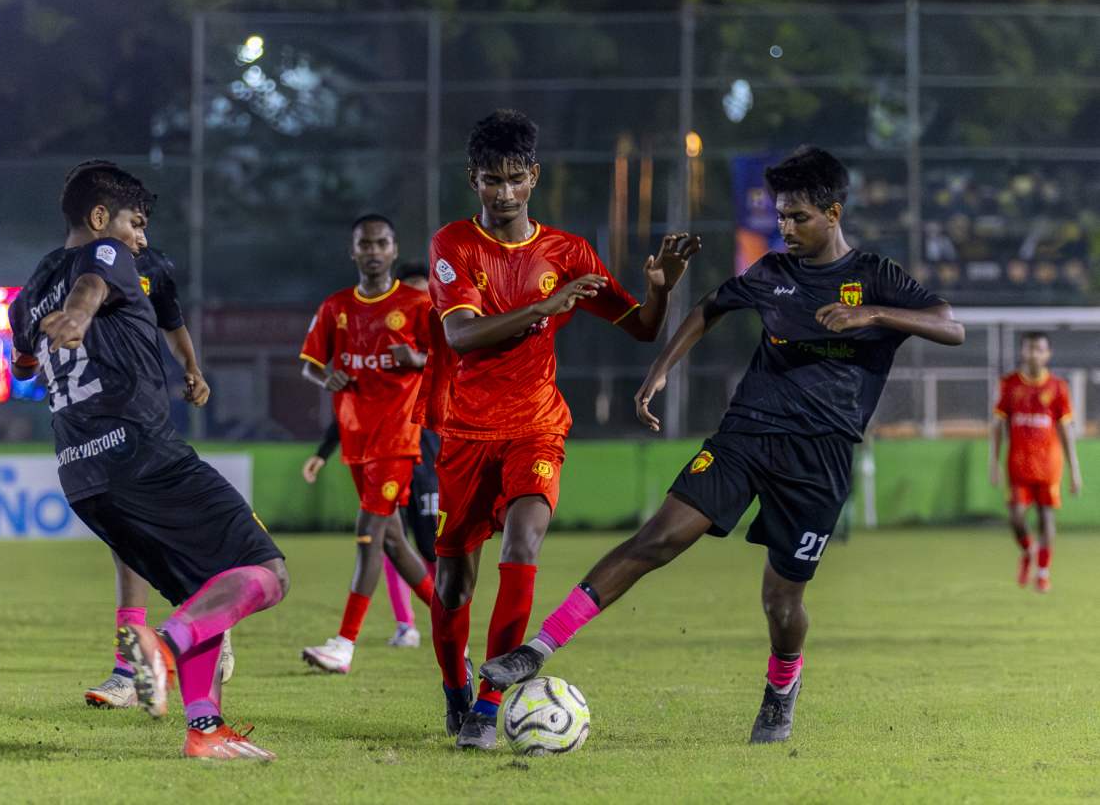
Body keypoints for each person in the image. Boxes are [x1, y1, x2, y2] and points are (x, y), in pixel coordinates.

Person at [479, 146, 966, 746]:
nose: (786, 228)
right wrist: (661, 369)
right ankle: (537, 648)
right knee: (657, 538)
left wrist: (874, 316)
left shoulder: (874, 276)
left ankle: (782, 686)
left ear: (833, 213)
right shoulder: (772, 273)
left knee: (781, 602)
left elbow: (950, 326)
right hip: (746, 434)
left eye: (798, 217)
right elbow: (711, 306)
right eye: (780, 216)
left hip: (821, 455)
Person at [422, 109, 696, 749]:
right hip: (466, 433)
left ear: (534, 177)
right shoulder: (453, 245)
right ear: (473, 179)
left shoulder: (568, 252)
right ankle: (455, 687)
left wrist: (661, 289)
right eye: (493, 179)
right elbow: (461, 335)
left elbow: (642, 328)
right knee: (454, 582)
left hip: (537, 426)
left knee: (523, 545)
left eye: (516, 178)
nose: (505, 192)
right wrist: (542, 307)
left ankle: (487, 707)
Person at [10, 160, 289, 760]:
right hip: (142, 455)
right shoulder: (107, 255)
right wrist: (80, 314)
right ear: (100, 217)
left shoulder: (29, 291)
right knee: (266, 572)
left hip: (83, 477)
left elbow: (23, 364)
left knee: (205, 591)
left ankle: (206, 729)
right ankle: (158, 648)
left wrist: (58, 332)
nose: (140, 238)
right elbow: (91, 287)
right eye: (134, 223)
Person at [81, 215, 237, 710]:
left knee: (149, 537)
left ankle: (144, 660)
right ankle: (144, 659)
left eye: (145, 224)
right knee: (126, 542)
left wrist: (192, 369)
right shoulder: (72, 271)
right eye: (136, 223)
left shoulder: (152, 268)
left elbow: (173, 324)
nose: (143, 236)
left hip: (145, 422)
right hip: (98, 424)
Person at [298, 217, 438, 674]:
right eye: (365, 244)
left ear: (394, 249)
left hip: (397, 439)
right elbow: (310, 364)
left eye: (382, 243)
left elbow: (449, 360)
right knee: (394, 542)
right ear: (353, 250)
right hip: (356, 440)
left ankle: (344, 645)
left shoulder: (417, 305)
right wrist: (326, 376)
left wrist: (416, 358)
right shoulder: (336, 306)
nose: (373, 251)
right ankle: (450, 619)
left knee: (368, 534)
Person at [989, 332, 1083, 592]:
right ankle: (1028, 550)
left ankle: (1042, 572)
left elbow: (1065, 430)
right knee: (1016, 517)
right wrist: (993, 462)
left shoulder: (1058, 387)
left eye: (1040, 349)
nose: (1034, 354)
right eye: (1030, 349)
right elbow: (997, 425)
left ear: (1048, 354)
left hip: (1048, 465)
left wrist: (1074, 470)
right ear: (1022, 352)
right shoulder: (1009, 384)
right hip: (1018, 464)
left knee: (1046, 517)